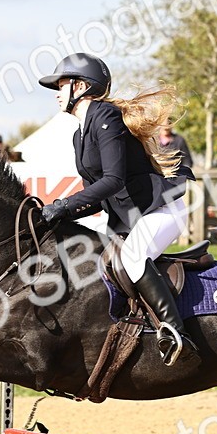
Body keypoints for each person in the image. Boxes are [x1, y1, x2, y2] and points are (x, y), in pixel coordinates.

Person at [37, 52, 197, 366]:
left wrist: (65, 205)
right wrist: (58, 213)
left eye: (62, 84)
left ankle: (176, 333)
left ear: (81, 86)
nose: (57, 93)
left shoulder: (105, 116)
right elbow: (95, 197)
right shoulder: (78, 135)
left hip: (159, 211)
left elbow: (113, 180)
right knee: (89, 258)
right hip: (127, 218)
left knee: (133, 258)